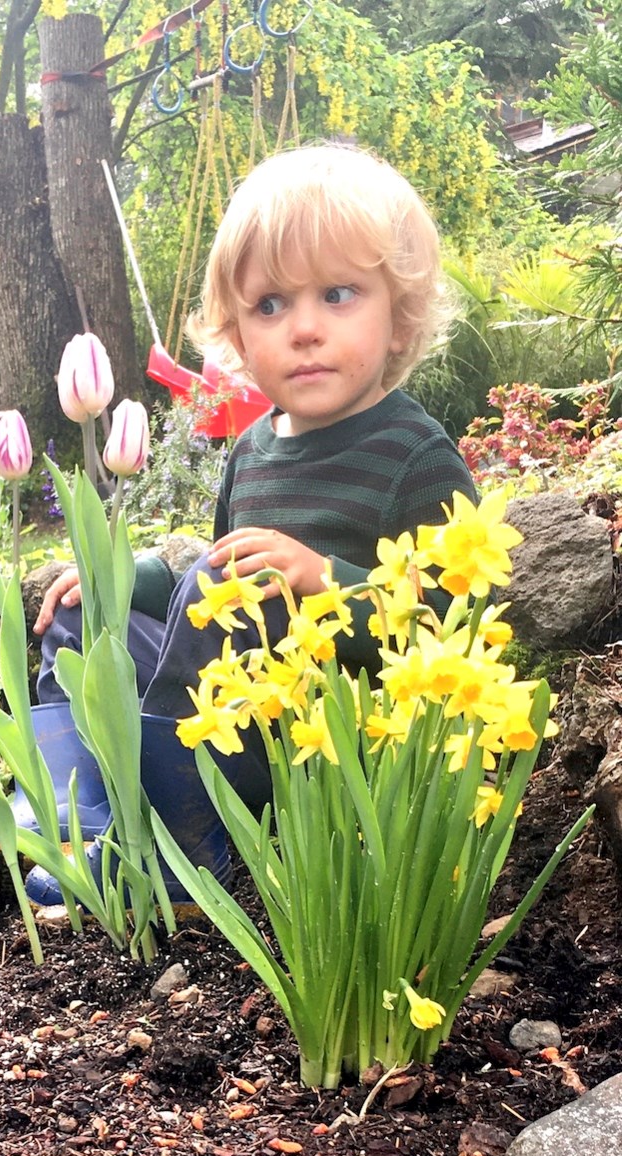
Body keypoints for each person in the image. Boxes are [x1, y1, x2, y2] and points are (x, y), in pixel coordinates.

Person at [34, 142, 477, 756]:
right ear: (238, 338)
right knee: (79, 621)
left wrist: (325, 581)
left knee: (260, 594)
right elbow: (211, 600)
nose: (303, 329)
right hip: (219, 704)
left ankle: (165, 811)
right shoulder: (251, 452)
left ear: (400, 315)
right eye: (270, 305)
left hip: (322, 735)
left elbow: (455, 626)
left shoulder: (415, 456)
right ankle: (70, 806)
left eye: (338, 294)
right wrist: (129, 580)